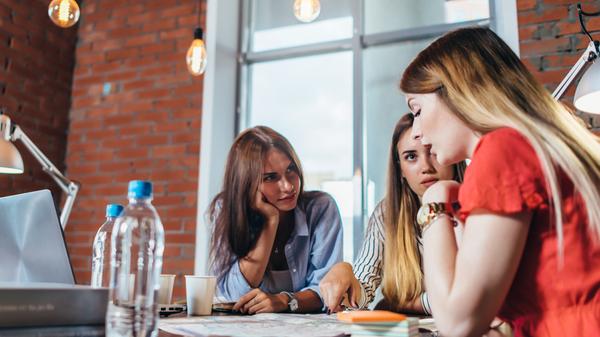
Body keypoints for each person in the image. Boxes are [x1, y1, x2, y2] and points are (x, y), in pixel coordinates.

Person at [400, 27, 600, 337]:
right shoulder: (527, 146)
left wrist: (434, 205)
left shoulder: (502, 151)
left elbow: (457, 323)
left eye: (417, 110)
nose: (416, 131)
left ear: (457, 92)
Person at [319, 113, 466, 314]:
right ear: (401, 170)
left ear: (451, 155)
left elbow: (469, 296)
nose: (426, 167)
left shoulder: (477, 208)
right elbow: (362, 290)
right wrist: (345, 277)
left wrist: (397, 304)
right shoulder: (386, 214)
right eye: (411, 157)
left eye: (432, 151)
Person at [208, 126, 343, 314]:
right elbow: (233, 295)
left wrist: (284, 301)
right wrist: (270, 222)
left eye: (291, 170)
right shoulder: (225, 209)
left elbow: (327, 292)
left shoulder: (320, 208)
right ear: (246, 183)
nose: (288, 186)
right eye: (270, 177)